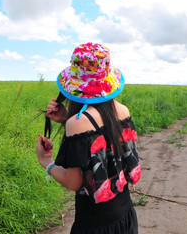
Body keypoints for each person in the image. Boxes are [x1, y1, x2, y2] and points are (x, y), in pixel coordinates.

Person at [36, 42, 141, 234]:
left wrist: (46, 162)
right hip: (125, 216)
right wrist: (67, 119)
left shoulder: (77, 123)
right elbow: (103, 142)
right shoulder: (122, 110)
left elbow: (73, 182)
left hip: (94, 224)